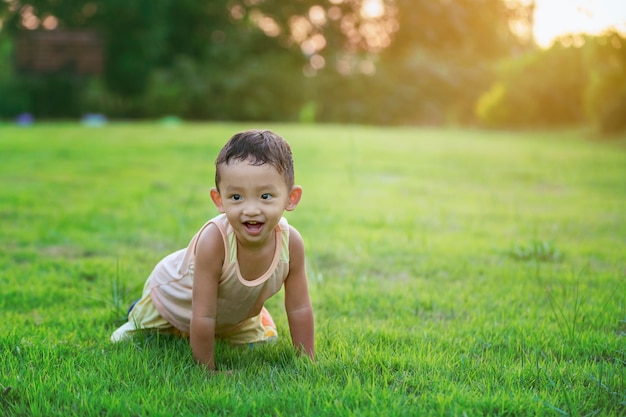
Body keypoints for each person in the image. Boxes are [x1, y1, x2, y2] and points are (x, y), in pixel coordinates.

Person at [110, 129, 315, 371]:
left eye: (265, 196)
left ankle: (243, 322)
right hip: (175, 299)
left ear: (291, 198)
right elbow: (203, 315)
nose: (250, 209)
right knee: (130, 340)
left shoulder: (291, 244)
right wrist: (209, 372)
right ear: (219, 200)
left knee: (263, 343)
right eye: (236, 197)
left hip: (227, 312)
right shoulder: (214, 241)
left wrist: (307, 362)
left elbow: (299, 307)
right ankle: (141, 310)